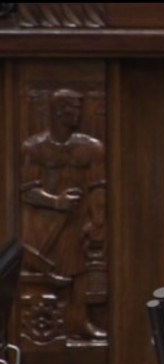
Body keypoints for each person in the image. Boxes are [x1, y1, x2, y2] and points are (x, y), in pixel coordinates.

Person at [20, 88, 107, 341]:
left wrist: (97, 221)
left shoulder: (91, 148)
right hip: (42, 225)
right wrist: (56, 201)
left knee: (78, 272)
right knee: (44, 275)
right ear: (58, 111)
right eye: (73, 109)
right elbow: (26, 190)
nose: (78, 114)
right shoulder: (34, 148)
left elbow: (98, 187)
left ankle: (78, 322)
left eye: (79, 108)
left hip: (76, 221)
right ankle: (39, 329)